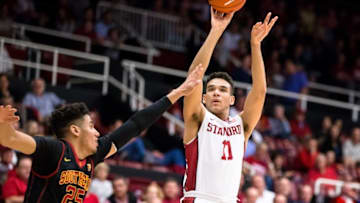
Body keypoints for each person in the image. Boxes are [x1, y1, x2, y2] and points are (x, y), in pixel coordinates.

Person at [0, 66, 203, 203]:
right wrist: (2, 123)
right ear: (75, 130)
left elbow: (135, 124)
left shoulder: (93, 155)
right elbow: (9, 138)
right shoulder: (54, 150)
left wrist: (178, 93)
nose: (97, 131)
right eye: (91, 126)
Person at [181, 6, 278, 203]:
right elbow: (194, 75)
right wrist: (216, 31)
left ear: (232, 100)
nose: (216, 92)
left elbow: (259, 92)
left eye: (223, 90)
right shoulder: (197, 119)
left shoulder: (241, 126)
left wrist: (255, 45)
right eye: (212, 89)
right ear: (203, 98)